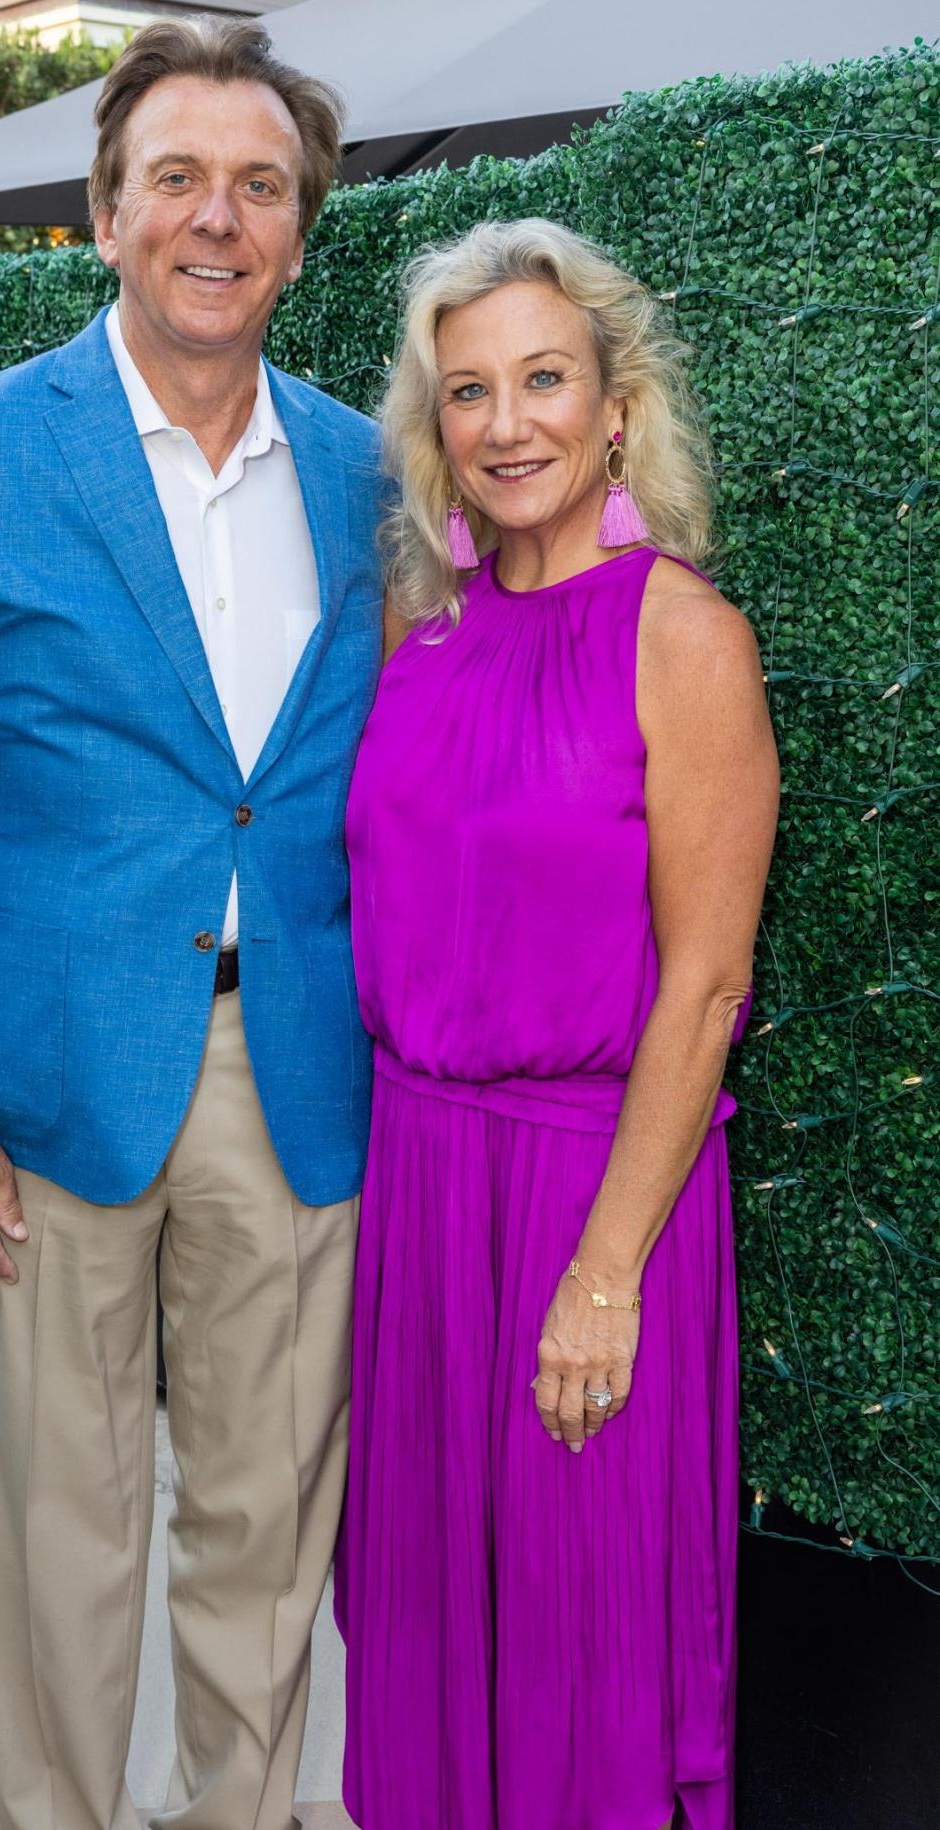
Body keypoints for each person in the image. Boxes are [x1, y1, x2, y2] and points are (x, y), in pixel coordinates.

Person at [0, 17, 387, 1830]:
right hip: (41, 1100)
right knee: (53, 1532)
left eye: (259, 186)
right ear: (104, 210)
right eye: (177, 180)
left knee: (264, 1520)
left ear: (302, 230)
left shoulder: (376, 476)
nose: (216, 218)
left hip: (295, 1070)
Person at [335, 219, 780, 1830]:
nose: (506, 422)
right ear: (432, 425)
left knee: (578, 1638)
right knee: (426, 1614)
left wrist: (604, 1274)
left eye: (542, 379)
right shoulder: (421, 631)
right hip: (420, 1203)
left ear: (613, 407)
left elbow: (706, 986)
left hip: (592, 1200)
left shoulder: (680, 635)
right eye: (468, 391)